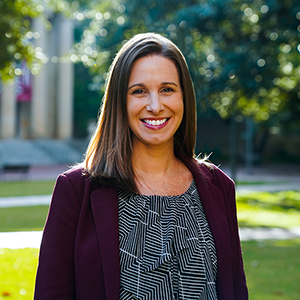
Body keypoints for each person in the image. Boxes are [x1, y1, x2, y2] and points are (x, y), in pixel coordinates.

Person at [34, 33, 248, 300]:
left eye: (167, 89)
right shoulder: (76, 190)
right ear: (119, 102)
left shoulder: (218, 187)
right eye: (139, 91)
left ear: (184, 98)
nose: (155, 106)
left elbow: (235, 289)